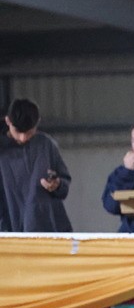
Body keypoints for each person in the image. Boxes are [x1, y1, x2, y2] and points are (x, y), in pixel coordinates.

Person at [0, 98, 73, 232]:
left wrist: (57, 185)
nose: (23, 138)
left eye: (28, 132)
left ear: (37, 122)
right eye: (18, 131)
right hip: (7, 229)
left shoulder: (45, 145)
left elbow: (64, 184)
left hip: (46, 228)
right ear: (8, 121)